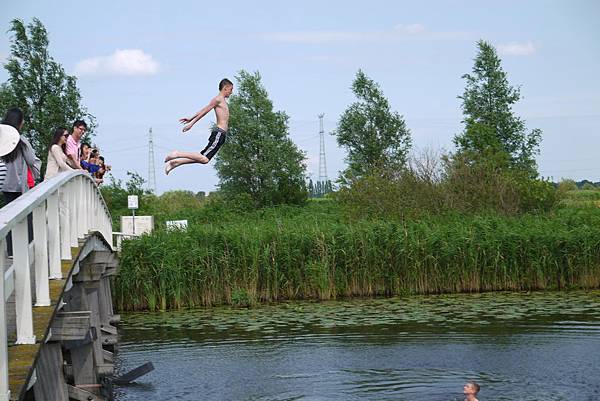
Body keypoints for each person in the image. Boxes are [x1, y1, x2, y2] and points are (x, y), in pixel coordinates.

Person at [164, 78, 233, 175]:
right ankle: (177, 154)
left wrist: (190, 118)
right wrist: (191, 123)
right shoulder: (218, 99)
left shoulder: (222, 101)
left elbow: (203, 110)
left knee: (203, 158)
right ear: (225, 88)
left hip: (221, 135)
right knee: (204, 159)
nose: (231, 92)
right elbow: (204, 112)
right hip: (219, 133)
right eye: (231, 90)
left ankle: (176, 162)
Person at [0, 108, 41, 255]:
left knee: (9, 218)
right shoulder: (21, 139)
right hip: (19, 184)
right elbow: (31, 159)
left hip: (5, 184)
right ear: (18, 121)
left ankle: (10, 251)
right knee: (26, 217)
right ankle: (26, 250)